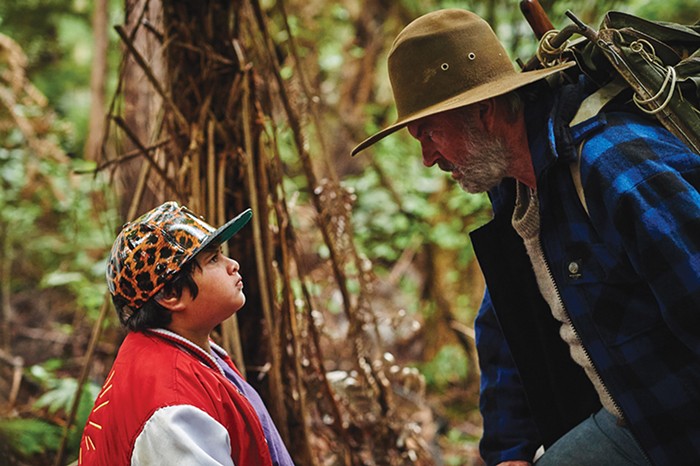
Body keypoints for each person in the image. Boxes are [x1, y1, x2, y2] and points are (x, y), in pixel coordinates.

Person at [352, 8, 700, 466]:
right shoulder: (514, 187)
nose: (427, 158)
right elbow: (506, 327)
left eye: (430, 133)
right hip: (630, 420)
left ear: (483, 110)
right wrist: (509, 451)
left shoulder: (611, 164)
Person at [78, 201, 295, 466]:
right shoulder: (171, 411)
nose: (233, 265)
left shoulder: (176, 353)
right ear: (170, 294)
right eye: (213, 258)